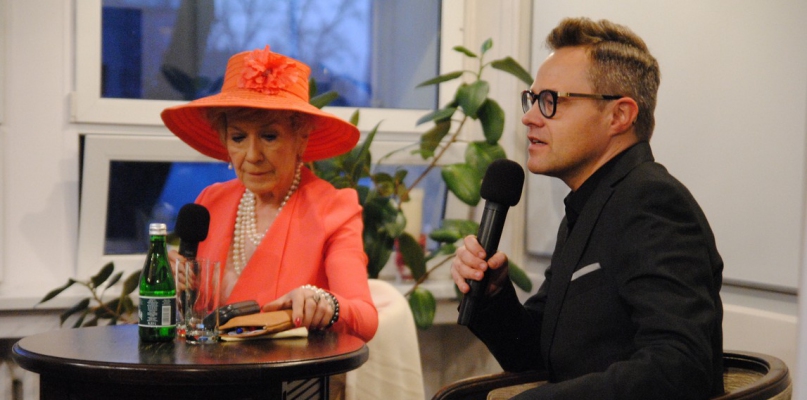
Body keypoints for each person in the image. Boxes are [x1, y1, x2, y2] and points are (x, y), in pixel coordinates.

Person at [451, 17, 723, 399]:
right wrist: (494, 295)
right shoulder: (588, 205)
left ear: (619, 115)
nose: (529, 117)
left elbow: (679, 368)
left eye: (551, 101)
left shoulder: (652, 202)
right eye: (532, 99)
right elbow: (536, 354)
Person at [161, 46, 378, 342]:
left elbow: (365, 319)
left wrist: (326, 304)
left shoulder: (334, 209)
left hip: (292, 371)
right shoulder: (210, 202)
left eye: (269, 136)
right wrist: (178, 286)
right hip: (207, 368)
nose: (252, 155)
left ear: (301, 137)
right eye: (238, 137)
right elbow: (195, 320)